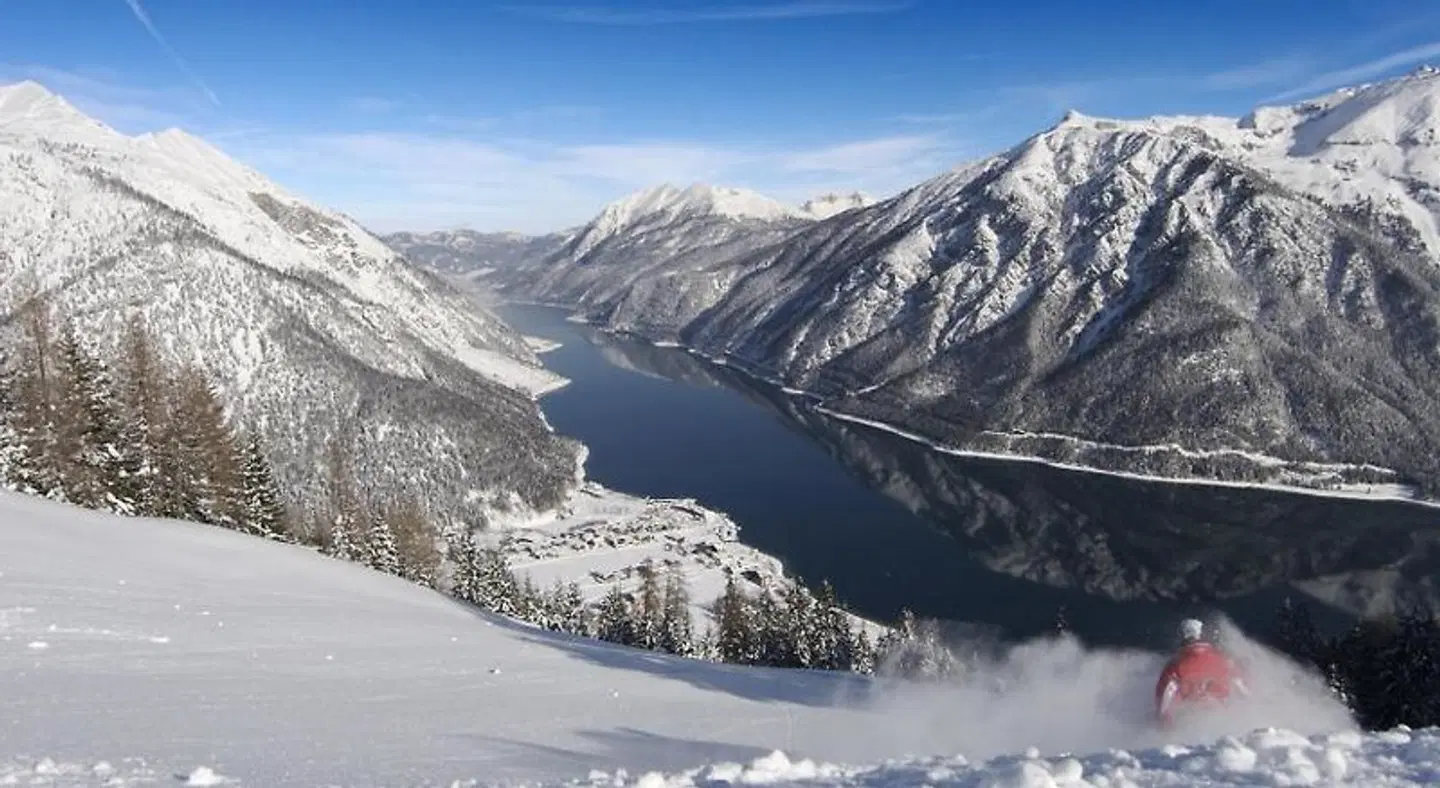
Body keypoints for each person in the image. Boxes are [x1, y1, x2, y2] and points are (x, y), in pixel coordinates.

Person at [1154, 618, 1250, 727]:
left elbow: (1166, 695)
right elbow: (1242, 689)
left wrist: (1163, 721)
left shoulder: (1175, 666)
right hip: (1221, 719)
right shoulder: (1224, 661)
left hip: (1189, 721)